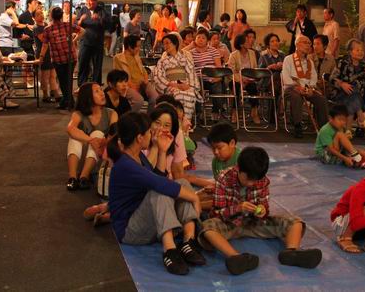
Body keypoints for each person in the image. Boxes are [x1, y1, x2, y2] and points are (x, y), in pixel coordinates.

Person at [198, 147, 322, 275]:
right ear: (238, 168)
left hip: (253, 222)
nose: (251, 183)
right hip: (229, 223)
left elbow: (264, 207)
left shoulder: (262, 180)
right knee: (207, 227)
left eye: (255, 180)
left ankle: (292, 252)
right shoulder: (224, 178)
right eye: (248, 179)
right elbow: (217, 212)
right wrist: (238, 208)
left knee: (295, 221)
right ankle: (236, 257)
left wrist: (262, 210)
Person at [108, 112, 205, 276]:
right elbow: (159, 184)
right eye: (149, 131)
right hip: (129, 231)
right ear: (139, 138)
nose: (153, 133)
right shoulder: (125, 164)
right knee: (161, 190)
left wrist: (162, 151)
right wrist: (194, 197)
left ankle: (189, 240)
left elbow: (157, 177)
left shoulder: (138, 156)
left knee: (182, 182)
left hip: (145, 218)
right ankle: (169, 250)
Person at [65, 82, 117, 191]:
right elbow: (70, 129)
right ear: (87, 97)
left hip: (101, 154)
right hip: (81, 156)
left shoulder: (111, 113)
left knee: (97, 133)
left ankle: (84, 176)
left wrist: (101, 141)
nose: (102, 93)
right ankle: (72, 177)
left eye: (101, 90)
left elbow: (114, 135)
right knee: (74, 137)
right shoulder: (78, 114)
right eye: (97, 91)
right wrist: (90, 140)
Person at [282, 36, 330, 138]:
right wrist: (298, 87)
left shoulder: (309, 62)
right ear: (297, 44)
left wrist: (311, 88)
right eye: (305, 43)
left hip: (307, 88)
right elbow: (286, 78)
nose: (308, 45)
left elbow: (313, 78)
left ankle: (324, 128)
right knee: (296, 97)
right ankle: (297, 125)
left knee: (321, 99)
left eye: (309, 43)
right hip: (292, 88)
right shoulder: (288, 59)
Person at [38, 7, 84, 110]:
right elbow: (82, 31)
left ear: (51, 16)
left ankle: (68, 102)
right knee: (68, 80)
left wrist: (41, 57)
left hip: (58, 59)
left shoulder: (48, 29)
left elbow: (45, 45)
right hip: (71, 57)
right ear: (61, 15)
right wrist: (73, 40)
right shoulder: (67, 25)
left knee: (63, 81)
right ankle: (68, 101)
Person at [329, 39, 365, 131]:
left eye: (362, 50)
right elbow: (332, 78)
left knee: (352, 98)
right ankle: (361, 117)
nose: (361, 52)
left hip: (356, 97)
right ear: (350, 52)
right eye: (357, 50)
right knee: (353, 92)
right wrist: (342, 84)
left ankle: (348, 131)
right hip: (340, 94)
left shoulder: (364, 65)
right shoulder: (342, 63)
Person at [153, 33, 200, 123]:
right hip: (170, 86)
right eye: (164, 44)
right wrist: (170, 84)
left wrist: (189, 85)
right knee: (178, 95)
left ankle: (186, 122)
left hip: (185, 85)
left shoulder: (185, 59)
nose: (165, 46)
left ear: (175, 44)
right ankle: (177, 123)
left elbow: (191, 73)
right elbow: (158, 76)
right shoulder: (162, 61)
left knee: (190, 94)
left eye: (167, 43)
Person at [114, 35, 158, 112]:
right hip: (127, 85)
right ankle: (128, 117)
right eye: (137, 46)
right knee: (138, 101)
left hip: (142, 83)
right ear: (130, 47)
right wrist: (131, 85)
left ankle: (150, 117)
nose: (139, 48)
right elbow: (118, 76)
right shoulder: (118, 58)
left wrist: (145, 79)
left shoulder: (136, 56)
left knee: (155, 97)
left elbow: (143, 70)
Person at [227, 34, 260, 124]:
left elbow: (255, 69)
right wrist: (241, 79)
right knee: (236, 88)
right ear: (241, 44)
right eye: (247, 41)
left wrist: (250, 79)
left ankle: (254, 112)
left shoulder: (252, 53)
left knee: (253, 88)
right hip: (236, 80)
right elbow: (231, 71)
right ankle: (235, 111)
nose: (250, 42)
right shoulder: (233, 55)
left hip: (249, 80)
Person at [190, 28, 223, 117]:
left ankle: (216, 111)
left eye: (203, 38)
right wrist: (190, 46)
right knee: (196, 86)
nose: (200, 40)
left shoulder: (214, 51)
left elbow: (219, 68)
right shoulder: (191, 53)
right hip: (198, 79)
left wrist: (217, 78)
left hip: (212, 78)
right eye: (198, 37)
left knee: (217, 87)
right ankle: (198, 113)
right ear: (195, 39)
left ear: (207, 41)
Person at [78, 0, 108, 85]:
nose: (88, 2)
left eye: (90, 0)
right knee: (83, 64)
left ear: (95, 1)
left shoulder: (101, 11)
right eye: (87, 1)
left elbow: (108, 25)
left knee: (97, 66)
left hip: (97, 42)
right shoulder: (83, 10)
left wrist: (99, 18)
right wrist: (81, 20)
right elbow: (77, 25)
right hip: (85, 42)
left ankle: (96, 85)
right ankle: (82, 85)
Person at [33, 9, 61, 103]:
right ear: (34, 18)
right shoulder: (36, 28)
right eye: (38, 14)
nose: (41, 15)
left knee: (53, 74)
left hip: (51, 52)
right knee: (45, 75)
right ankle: (45, 95)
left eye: (41, 13)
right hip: (42, 53)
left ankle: (56, 93)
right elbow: (44, 39)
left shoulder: (46, 25)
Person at [259, 33, 285, 112]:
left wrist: (283, 66)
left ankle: (275, 111)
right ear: (268, 44)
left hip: (281, 82)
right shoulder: (264, 56)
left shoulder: (282, 55)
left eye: (276, 41)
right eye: (272, 41)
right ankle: (275, 111)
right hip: (267, 82)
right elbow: (259, 72)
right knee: (276, 77)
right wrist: (269, 68)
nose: (275, 43)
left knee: (278, 79)